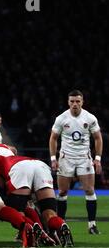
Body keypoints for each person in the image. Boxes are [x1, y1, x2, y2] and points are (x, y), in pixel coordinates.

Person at [49, 89, 103, 235]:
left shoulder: (90, 118)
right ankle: (61, 226)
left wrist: (97, 159)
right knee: (62, 191)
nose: (75, 104)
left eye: (77, 101)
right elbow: (53, 138)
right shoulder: (61, 118)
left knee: (89, 190)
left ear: (82, 102)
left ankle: (92, 225)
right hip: (66, 158)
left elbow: (98, 138)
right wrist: (53, 159)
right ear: (68, 102)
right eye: (72, 101)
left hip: (84, 158)